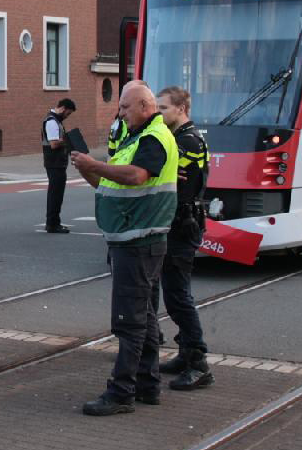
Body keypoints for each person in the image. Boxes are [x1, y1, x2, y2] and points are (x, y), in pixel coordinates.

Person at [72, 81, 179, 417]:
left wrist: (96, 166)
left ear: (146, 106)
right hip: (132, 238)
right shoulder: (134, 137)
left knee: (129, 321)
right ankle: (147, 385)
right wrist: (89, 169)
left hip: (139, 240)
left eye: (125, 107)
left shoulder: (154, 138)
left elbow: (135, 176)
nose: (120, 113)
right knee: (144, 317)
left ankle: (122, 392)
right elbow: (112, 182)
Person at [148, 87, 213, 391]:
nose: (158, 113)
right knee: (175, 294)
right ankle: (186, 353)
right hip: (178, 223)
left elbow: (162, 173)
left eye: (162, 108)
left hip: (182, 225)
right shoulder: (179, 138)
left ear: (181, 108)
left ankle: (198, 362)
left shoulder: (187, 140)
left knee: (177, 296)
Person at [42, 96, 77, 234]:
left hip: (57, 163)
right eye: (68, 113)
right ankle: (52, 224)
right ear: (62, 108)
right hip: (54, 163)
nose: (67, 117)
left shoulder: (56, 121)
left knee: (56, 194)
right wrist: (68, 140)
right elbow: (54, 143)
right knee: (55, 194)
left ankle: (53, 222)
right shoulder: (51, 121)